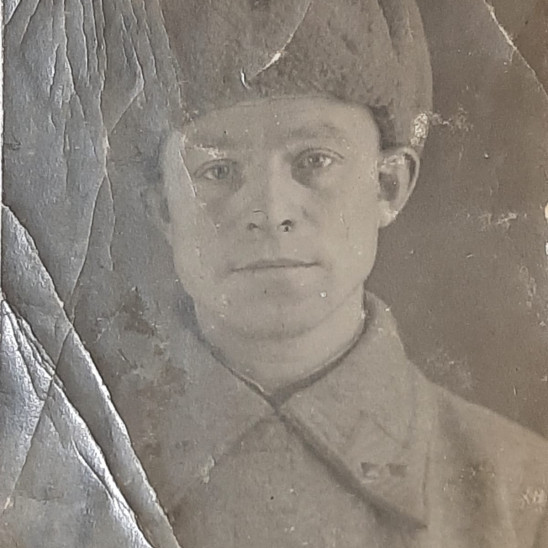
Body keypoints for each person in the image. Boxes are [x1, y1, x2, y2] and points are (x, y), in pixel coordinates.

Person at [114, 0, 548, 546]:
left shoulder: (522, 496)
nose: (271, 212)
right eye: (218, 171)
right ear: (164, 210)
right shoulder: (62, 467)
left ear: (387, 185)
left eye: (313, 161)